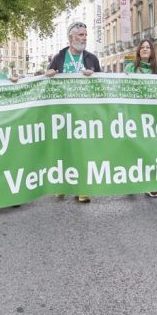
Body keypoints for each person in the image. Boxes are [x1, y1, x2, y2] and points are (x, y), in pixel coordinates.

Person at [46, 22, 100, 202]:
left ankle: (82, 188)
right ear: (71, 38)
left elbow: (101, 83)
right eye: (81, 35)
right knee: (63, 149)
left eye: (86, 35)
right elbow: (47, 82)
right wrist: (49, 74)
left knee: (83, 150)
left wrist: (93, 76)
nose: (84, 38)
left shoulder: (92, 59)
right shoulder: (59, 57)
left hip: (85, 113)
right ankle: (61, 185)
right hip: (62, 112)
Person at [124, 38, 157, 198]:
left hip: (151, 114)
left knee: (151, 147)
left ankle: (151, 183)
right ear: (138, 51)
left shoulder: (156, 69)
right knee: (133, 147)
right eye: (142, 47)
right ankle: (130, 179)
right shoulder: (130, 67)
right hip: (134, 112)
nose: (144, 49)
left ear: (151, 51)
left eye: (147, 47)